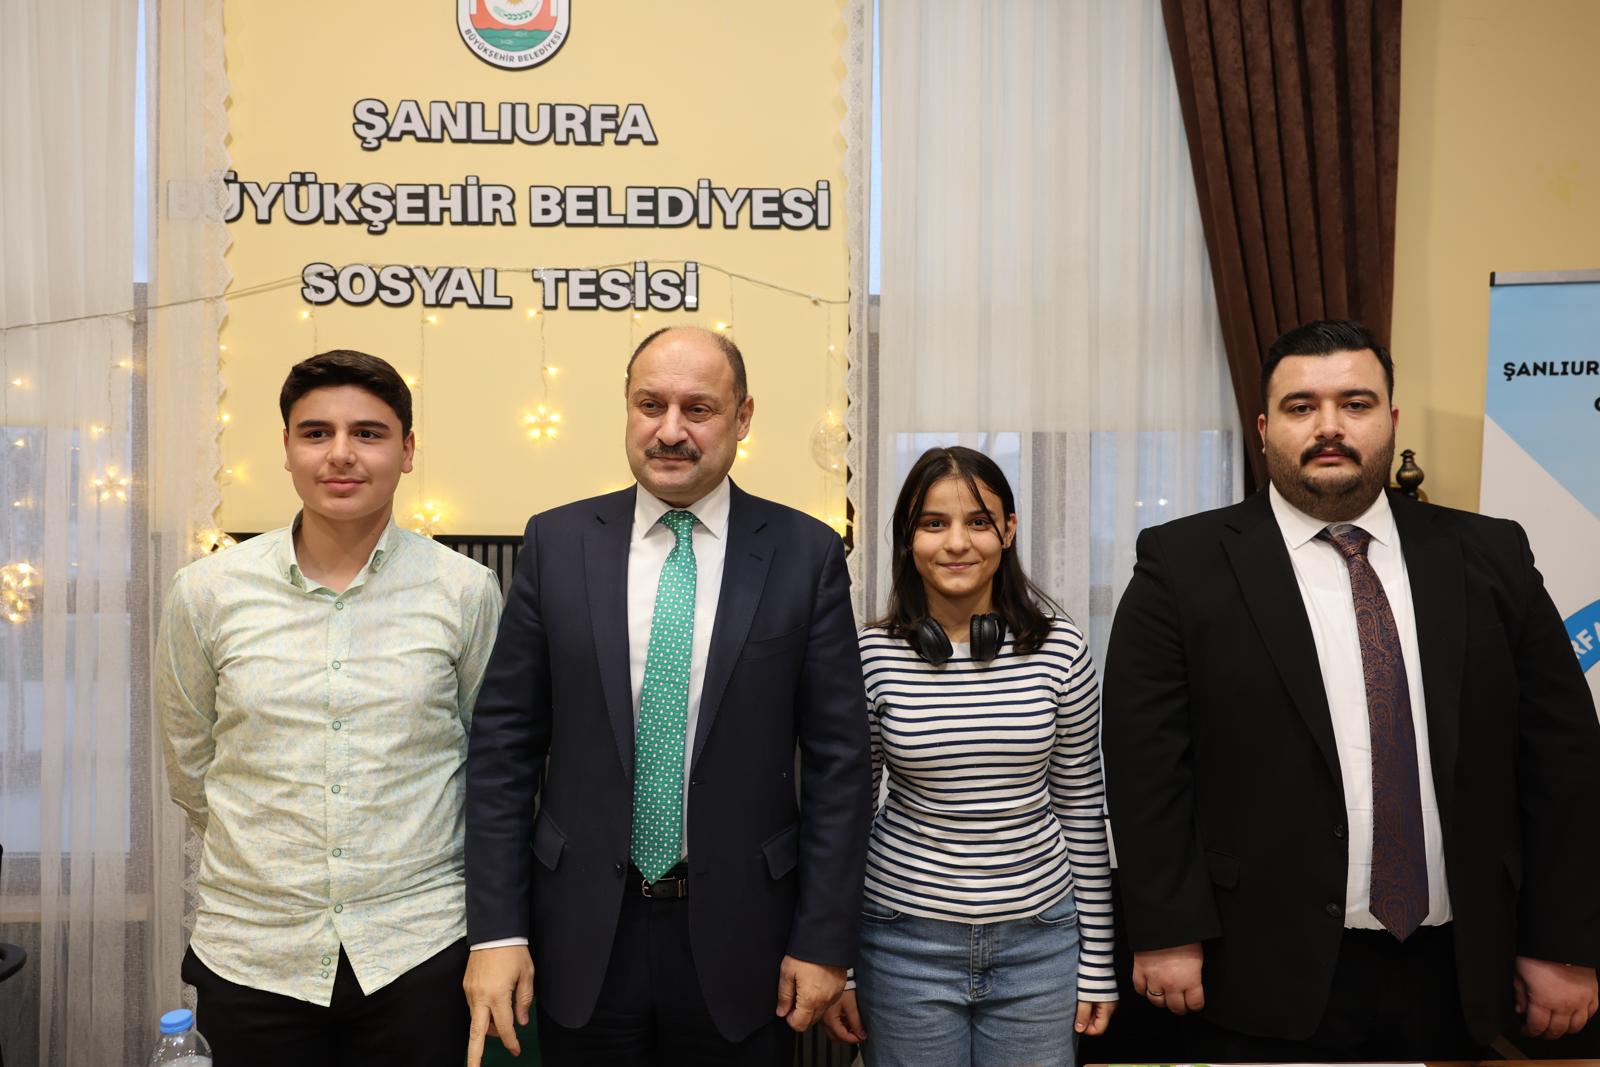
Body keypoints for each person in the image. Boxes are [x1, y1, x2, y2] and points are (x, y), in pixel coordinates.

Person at [1102, 319, 1600, 1059]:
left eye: (1355, 404)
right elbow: (1146, 767)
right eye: (1301, 406)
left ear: (1391, 420)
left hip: (1461, 964)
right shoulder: (1181, 565)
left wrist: (1562, 941)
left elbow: (1563, 758)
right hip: (1261, 964)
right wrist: (1168, 930)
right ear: (1265, 429)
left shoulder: (1490, 553)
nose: (1329, 426)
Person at [461, 326, 873, 1066]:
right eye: (651, 405)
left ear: (743, 417)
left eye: (698, 408)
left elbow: (841, 765)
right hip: (582, 934)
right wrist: (497, 931)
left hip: (747, 938)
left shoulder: (804, 552)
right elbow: (502, 751)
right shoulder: (557, 543)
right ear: (627, 407)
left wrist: (824, 939)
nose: (671, 430)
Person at [155, 350, 504, 1066]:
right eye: (316, 433)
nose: (341, 454)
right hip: (253, 950)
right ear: (286, 448)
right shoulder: (206, 591)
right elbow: (191, 763)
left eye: (368, 433)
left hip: (418, 948)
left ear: (408, 451)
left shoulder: (465, 591)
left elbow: (490, 762)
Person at [822, 446, 1118, 1065]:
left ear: (1008, 531)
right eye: (934, 523)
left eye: (978, 522)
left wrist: (1098, 961)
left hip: (1040, 943)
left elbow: (1081, 809)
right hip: (901, 942)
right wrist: (840, 966)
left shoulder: (1061, 650)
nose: (957, 543)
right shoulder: (871, 655)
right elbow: (847, 818)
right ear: (908, 538)